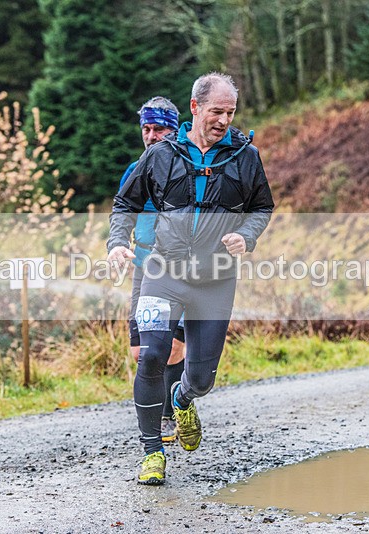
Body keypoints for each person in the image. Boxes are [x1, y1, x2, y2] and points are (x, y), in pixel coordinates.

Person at [108, 72, 274, 485]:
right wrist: (116, 242)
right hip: (162, 271)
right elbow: (124, 202)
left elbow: (262, 207)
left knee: (201, 378)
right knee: (150, 355)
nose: (224, 120)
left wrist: (246, 235)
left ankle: (182, 399)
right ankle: (152, 452)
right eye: (217, 111)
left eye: (231, 113)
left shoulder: (245, 157)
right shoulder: (161, 154)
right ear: (196, 107)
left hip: (215, 279)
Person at [119, 96, 185, 443]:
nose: (150, 135)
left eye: (158, 128)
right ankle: (166, 404)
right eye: (146, 128)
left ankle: (170, 414)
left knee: (173, 347)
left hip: (182, 270)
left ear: (173, 131)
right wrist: (117, 243)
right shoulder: (135, 170)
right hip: (144, 267)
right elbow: (122, 210)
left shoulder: (188, 168)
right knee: (140, 350)